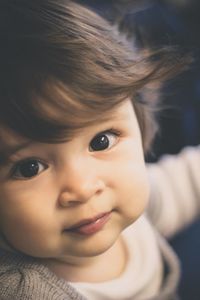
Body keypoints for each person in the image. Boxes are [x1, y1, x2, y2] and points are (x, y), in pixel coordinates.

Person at [0, 1, 189, 299]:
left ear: (140, 127)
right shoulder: (23, 290)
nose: (83, 188)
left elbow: (181, 182)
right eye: (30, 167)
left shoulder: (132, 209)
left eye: (101, 141)